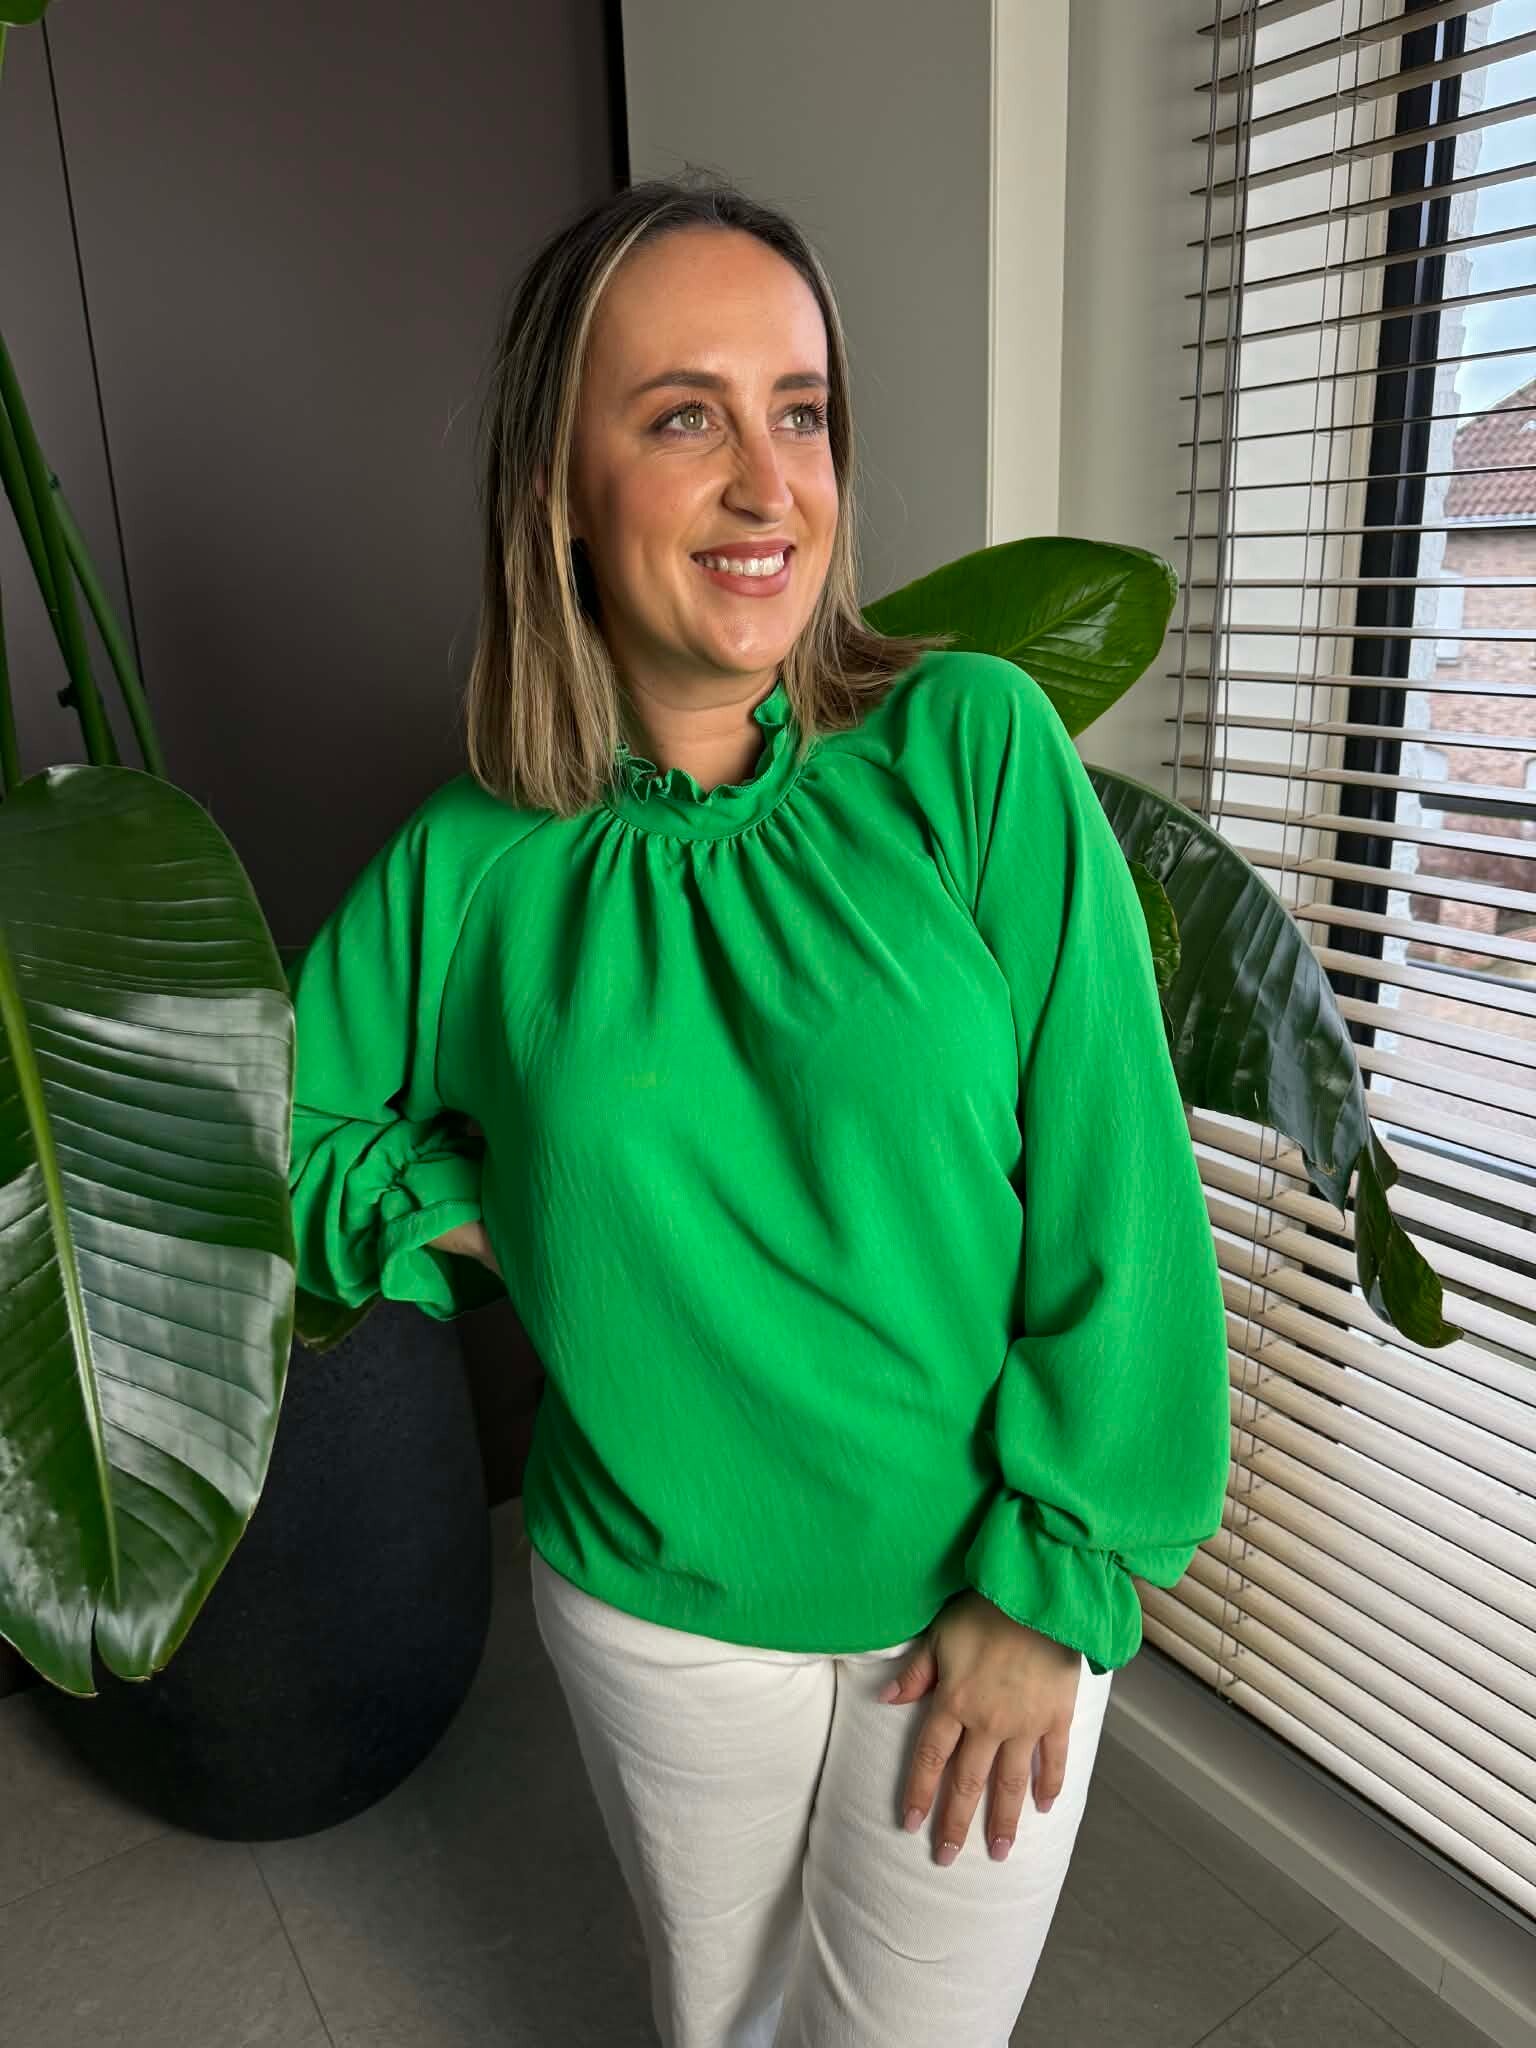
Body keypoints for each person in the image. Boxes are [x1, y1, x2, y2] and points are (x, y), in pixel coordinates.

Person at [284, 174, 1231, 2048]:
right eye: (681, 419)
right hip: (656, 1612)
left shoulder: (969, 750)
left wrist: (1053, 1582)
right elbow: (279, 1129)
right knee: (717, 2020)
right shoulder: (477, 864)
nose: (766, 485)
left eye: (799, 412)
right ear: (559, 489)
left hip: (977, 1599)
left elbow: (1122, 1194)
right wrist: (506, 1210)